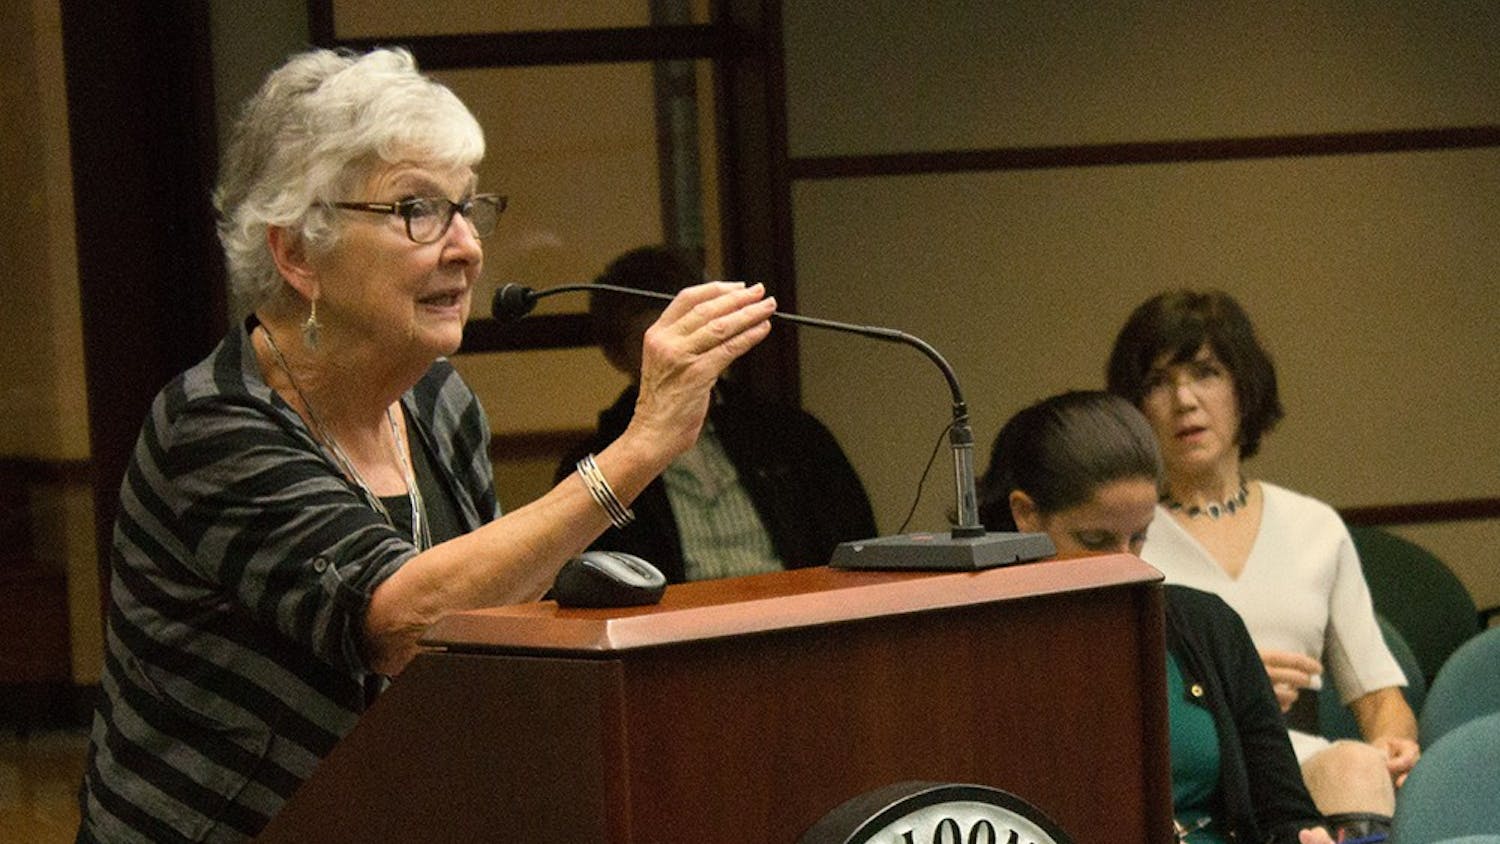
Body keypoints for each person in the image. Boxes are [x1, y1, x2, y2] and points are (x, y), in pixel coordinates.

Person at [75, 49, 775, 843]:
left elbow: (490, 639)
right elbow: (404, 623)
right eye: (417, 211)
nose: (467, 247)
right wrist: (639, 448)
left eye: (469, 208)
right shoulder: (211, 426)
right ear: (298, 253)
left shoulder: (439, 403)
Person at [1107, 289, 1418, 834]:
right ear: (1134, 409)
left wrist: (1394, 744)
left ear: (1244, 389)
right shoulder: (1128, 540)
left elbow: (1379, 699)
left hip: (1297, 771)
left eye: (1205, 373)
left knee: (1356, 763)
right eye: (1158, 382)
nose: (1184, 400)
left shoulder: (1313, 526)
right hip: (1186, 773)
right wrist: (1229, 688)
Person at [977, 391, 1335, 844]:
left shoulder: (1207, 625)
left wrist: (1305, 836)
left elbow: (1284, 813)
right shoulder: (982, 655)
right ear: (1026, 515)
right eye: (1095, 539)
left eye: (1140, 536)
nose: (1127, 562)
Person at [556, 245, 876, 583]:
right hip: (670, 632)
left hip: (793, 621)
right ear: (616, 356)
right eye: (653, 345)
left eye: (691, 335)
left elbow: (859, 553)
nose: (679, 356)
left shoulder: (791, 436)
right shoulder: (593, 464)